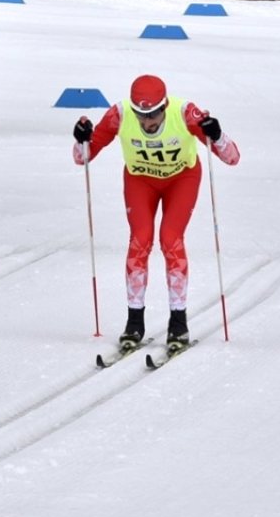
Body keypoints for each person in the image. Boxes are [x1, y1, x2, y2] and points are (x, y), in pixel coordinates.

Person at [71, 74, 240, 354]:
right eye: (140, 114)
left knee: (170, 239)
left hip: (181, 180)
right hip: (141, 181)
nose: (145, 122)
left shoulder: (184, 113)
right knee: (140, 240)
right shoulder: (119, 114)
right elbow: (82, 157)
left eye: (151, 114)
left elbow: (232, 158)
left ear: (164, 107)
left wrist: (217, 134)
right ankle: (134, 322)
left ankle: (178, 323)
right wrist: (81, 139)